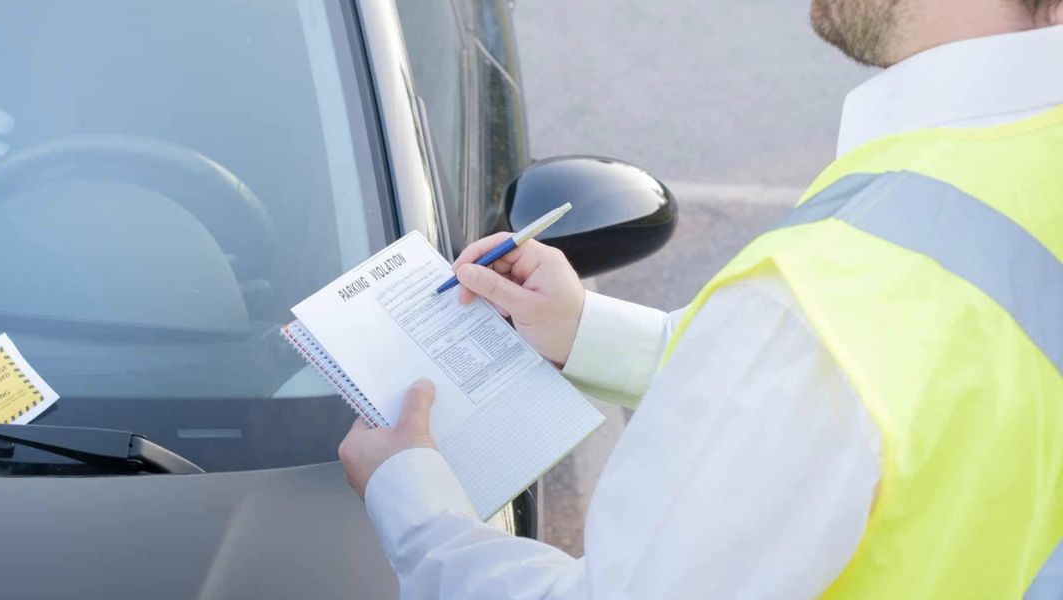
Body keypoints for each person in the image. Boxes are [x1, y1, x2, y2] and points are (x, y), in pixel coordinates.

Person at [338, 0, 1063, 597]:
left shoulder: (829, 299)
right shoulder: (1010, 173)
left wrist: (418, 512)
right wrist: (584, 330)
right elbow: (891, 407)